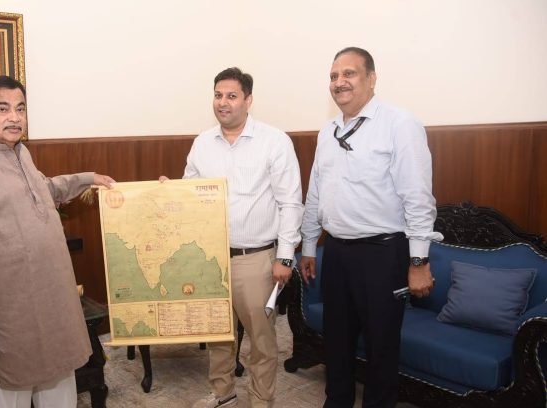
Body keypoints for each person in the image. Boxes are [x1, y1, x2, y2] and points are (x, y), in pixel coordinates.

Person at [0, 75, 115, 408]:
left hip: (51, 300)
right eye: (2, 108)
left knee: (59, 384)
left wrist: (88, 178)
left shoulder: (22, 153)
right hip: (8, 309)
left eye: (20, 109)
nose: (14, 117)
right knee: (12, 388)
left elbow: (44, 190)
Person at [299, 47, 442, 408]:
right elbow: (315, 193)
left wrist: (419, 261)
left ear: (372, 78)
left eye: (349, 74)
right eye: (333, 76)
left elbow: (417, 198)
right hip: (336, 253)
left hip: (382, 255)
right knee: (336, 343)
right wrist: (309, 246)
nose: (339, 82)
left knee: (381, 349)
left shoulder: (400, 124)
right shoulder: (328, 131)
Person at [165, 67, 304, 408]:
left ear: (248, 100)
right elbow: (191, 192)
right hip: (210, 259)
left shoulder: (274, 141)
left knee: (261, 339)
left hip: (255, 259)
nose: (223, 102)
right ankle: (223, 392)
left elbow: (290, 202)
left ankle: (261, 400)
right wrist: (170, 191)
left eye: (231, 96)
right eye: (218, 95)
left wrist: (285, 257)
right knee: (217, 331)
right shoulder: (202, 143)